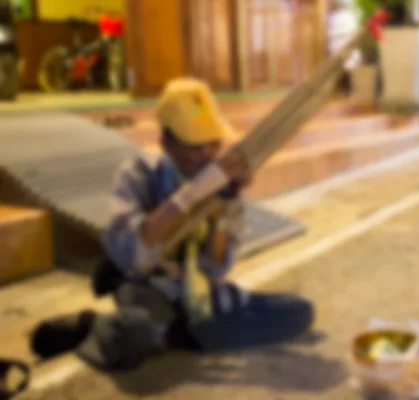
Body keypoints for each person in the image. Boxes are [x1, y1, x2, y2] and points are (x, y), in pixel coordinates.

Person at [30, 78, 314, 370]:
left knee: (297, 314)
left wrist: (220, 208)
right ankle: (91, 326)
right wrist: (196, 193)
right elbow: (136, 253)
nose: (206, 154)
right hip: (145, 284)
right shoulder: (138, 174)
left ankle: (177, 332)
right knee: (136, 334)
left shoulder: (223, 185)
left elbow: (215, 268)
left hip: (194, 286)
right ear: (166, 142)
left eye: (212, 143)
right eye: (194, 145)